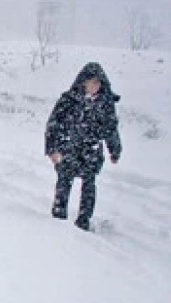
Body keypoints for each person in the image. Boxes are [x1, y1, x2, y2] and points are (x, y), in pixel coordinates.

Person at [45, 62, 121, 231]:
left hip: (91, 151)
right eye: (92, 81)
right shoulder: (69, 100)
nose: (95, 86)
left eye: (99, 82)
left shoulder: (105, 104)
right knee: (64, 181)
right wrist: (52, 149)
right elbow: (53, 124)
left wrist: (115, 150)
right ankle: (59, 214)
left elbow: (111, 129)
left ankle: (84, 220)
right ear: (83, 81)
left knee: (89, 185)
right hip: (69, 147)